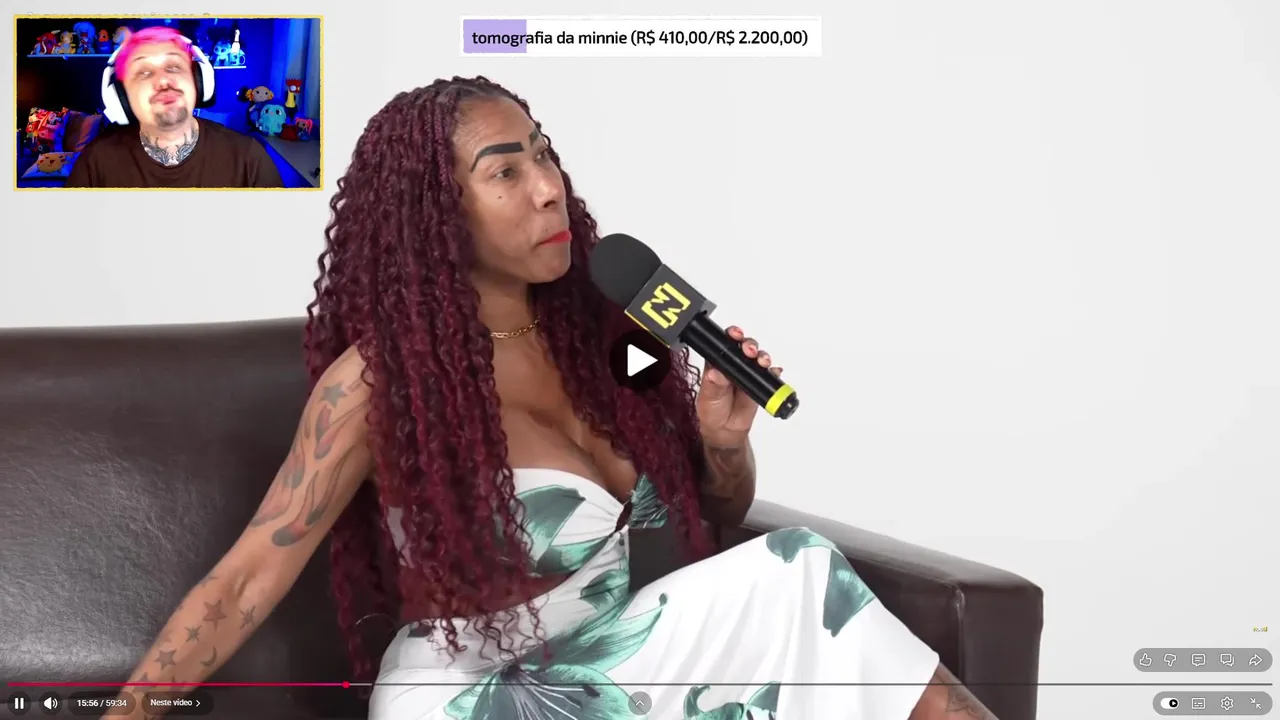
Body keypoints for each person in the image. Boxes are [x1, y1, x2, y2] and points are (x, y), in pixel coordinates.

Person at [108, 76, 999, 719]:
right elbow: (246, 580)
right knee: (796, 574)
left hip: (625, 659)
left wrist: (724, 445)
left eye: (543, 154)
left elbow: (709, 517)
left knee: (790, 576)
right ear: (435, 212)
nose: (548, 189)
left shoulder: (613, 342)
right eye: (505, 172)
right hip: (482, 696)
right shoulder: (384, 383)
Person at [66, 27, 282, 188]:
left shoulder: (249, 160)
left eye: (174, 66)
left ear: (199, 81)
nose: (163, 81)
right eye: (144, 72)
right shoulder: (94, 165)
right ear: (121, 96)